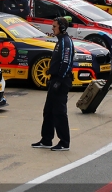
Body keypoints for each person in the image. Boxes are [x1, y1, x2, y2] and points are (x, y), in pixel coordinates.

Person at [32, 17, 74, 152]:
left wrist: (60, 80)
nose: (52, 28)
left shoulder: (66, 42)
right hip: (55, 79)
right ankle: (46, 139)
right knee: (48, 111)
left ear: (61, 27)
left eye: (54, 26)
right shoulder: (60, 41)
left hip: (61, 81)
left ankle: (64, 142)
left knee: (59, 112)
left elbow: (66, 63)